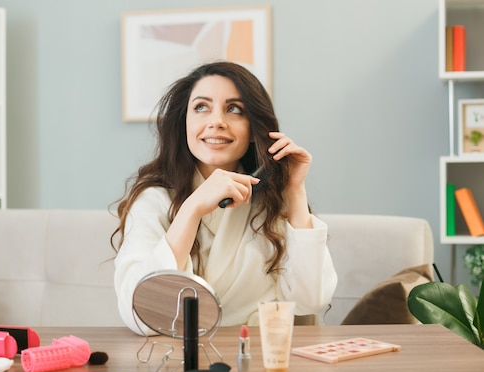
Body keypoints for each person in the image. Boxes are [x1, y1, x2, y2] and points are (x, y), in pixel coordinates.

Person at [112, 61, 337, 335]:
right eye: (201, 107)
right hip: (181, 358)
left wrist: (294, 189)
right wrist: (192, 209)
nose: (216, 121)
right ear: (184, 123)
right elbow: (139, 313)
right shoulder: (153, 200)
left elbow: (311, 300)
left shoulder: (272, 200)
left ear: (254, 130)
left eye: (234, 109)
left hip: (258, 358)